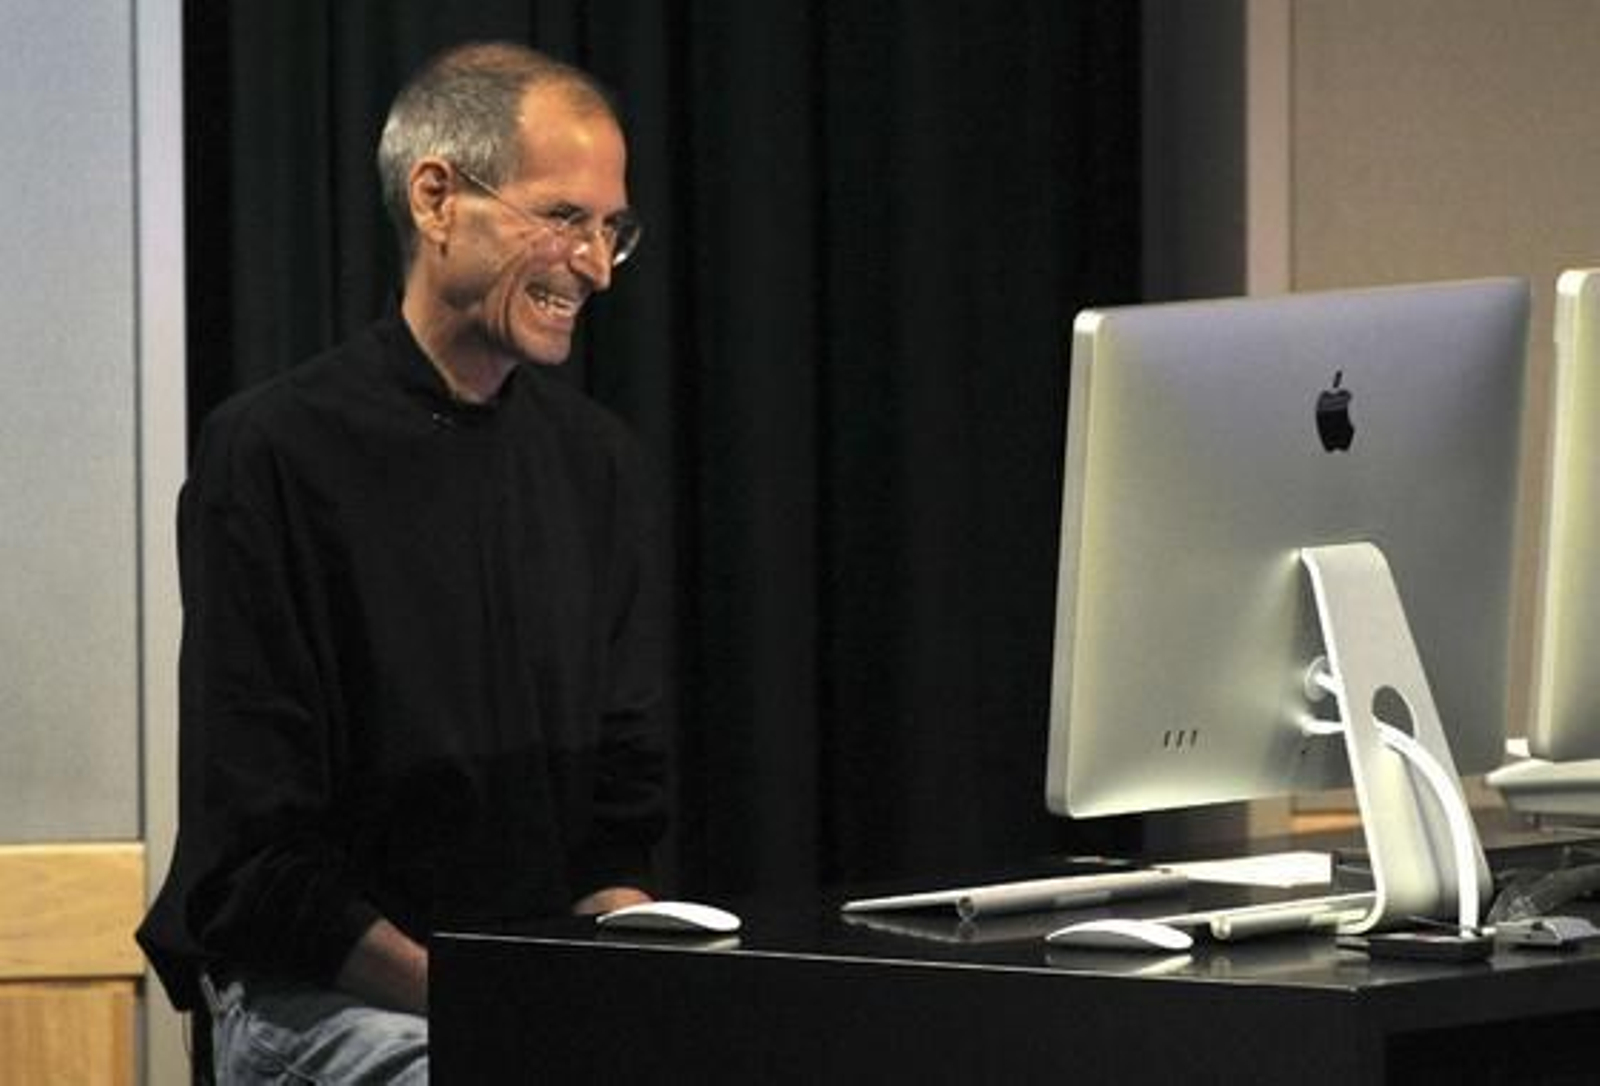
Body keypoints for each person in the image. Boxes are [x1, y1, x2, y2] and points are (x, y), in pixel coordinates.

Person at [138, 41, 670, 1083]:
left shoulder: (598, 465)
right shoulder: (277, 451)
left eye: (612, 231)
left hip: (525, 995)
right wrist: (490, 1005)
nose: (597, 268)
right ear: (435, 197)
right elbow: (261, 857)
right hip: (326, 999)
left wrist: (640, 972)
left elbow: (619, 823)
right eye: (565, 220)